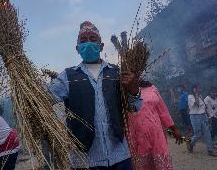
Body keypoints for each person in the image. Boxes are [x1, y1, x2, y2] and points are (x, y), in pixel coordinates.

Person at [48, 21, 142, 170]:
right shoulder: (67, 76)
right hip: (85, 161)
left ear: (101, 45)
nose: (88, 43)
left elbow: (134, 108)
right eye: (83, 40)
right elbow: (43, 100)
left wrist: (134, 90)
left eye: (93, 39)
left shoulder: (116, 73)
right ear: (77, 49)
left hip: (120, 156)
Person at [127, 81, 182, 170]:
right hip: (137, 137)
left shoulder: (152, 88)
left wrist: (174, 129)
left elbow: (163, 110)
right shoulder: (124, 90)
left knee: (161, 165)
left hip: (157, 135)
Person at [186, 84, 217, 156]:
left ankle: (210, 150)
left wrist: (209, 117)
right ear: (194, 89)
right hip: (194, 116)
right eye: (199, 88)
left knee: (207, 132)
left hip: (203, 116)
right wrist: (196, 94)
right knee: (198, 133)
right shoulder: (190, 97)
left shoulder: (200, 96)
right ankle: (191, 143)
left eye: (200, 88)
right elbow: (197, 104)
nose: (200, 89)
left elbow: (204, 107)